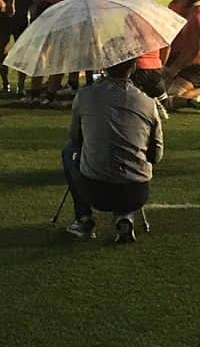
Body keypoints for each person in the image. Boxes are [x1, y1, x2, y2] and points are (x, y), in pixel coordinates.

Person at [62, 58, 163, 244]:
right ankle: (124, 216)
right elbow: (156, 155)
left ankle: (84, 219)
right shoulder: (147, 102)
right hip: (136, 192)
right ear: (133, 67)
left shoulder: (85, 96)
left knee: (69, 152)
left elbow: (75, 138)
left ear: (105, 66)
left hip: (95, 191)